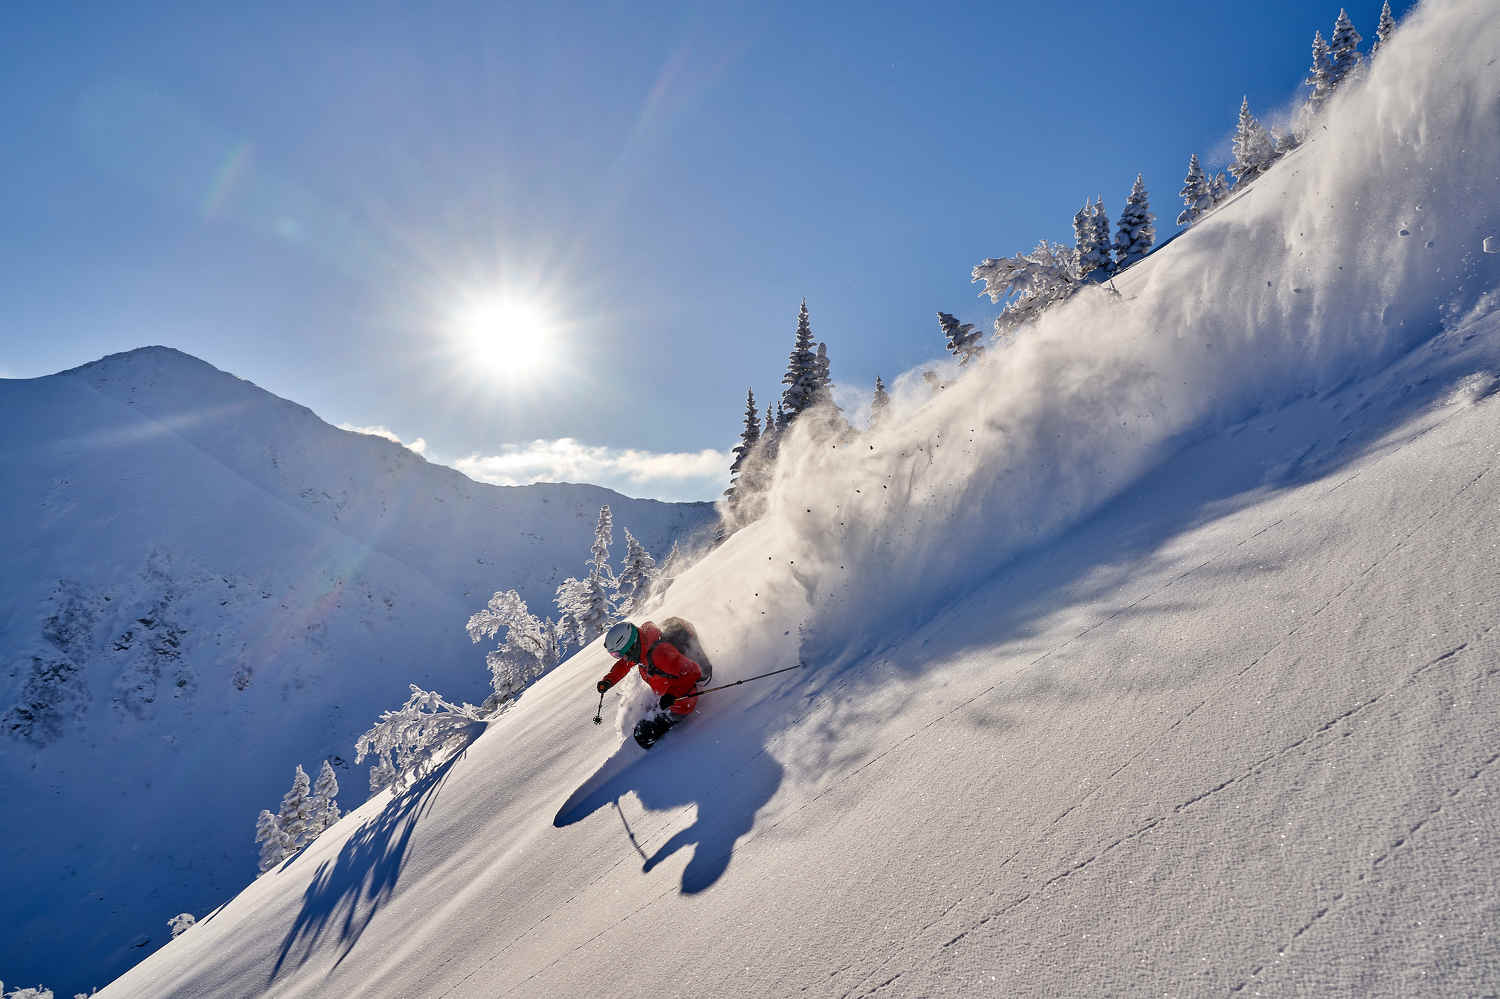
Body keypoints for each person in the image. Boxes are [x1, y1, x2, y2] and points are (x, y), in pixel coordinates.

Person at [597, 620, 705, 747]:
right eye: (616, 655)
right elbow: (623, 665)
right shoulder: (641, 648)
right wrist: (609, 680)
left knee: (645, 734)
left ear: (631, 646)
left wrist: (672, 695)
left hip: (683, 697)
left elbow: (693, 672)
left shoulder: (660, 654)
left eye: (620, 654)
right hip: (666, 693)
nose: (622, 658)